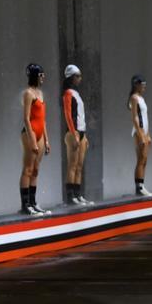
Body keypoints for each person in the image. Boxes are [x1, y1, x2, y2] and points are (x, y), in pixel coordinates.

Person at [19, 63, 51, 216]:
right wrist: (32, 140)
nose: (43, 77)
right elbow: (26, 118)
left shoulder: (40, 93)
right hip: (29, 133)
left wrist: (46, 139)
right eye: (41, 75)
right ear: (35, 75)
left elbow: (43, 120)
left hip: (39, 134)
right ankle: (25, 204)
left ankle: (33, 202)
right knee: (28, 169)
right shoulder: (28, 93)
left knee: (36, 170)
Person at [62, 64, 93, 205]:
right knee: (72, 165)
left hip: (81, 131)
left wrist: (84, 135)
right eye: (77, 76)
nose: (80, 78)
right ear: (71, 77)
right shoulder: (68, 93)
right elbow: (68, 114)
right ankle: (70, 196)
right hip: (72, 131)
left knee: (79, 165)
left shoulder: (77, 94)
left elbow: (81, 116)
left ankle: (78, 194)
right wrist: (73, 132)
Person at [128, 75, 152, 196]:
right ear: (136, 84)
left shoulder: (141, 98)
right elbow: (134, 117)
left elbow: (145, 118)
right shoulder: (134, 98)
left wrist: (148, 134)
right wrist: (141, 134)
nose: (144, 86)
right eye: (142, 84)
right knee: (141, 159)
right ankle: (139, 188)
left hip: (144, 131)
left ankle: (141, 185)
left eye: (145, 84)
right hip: (139, 132)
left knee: (144, 160)